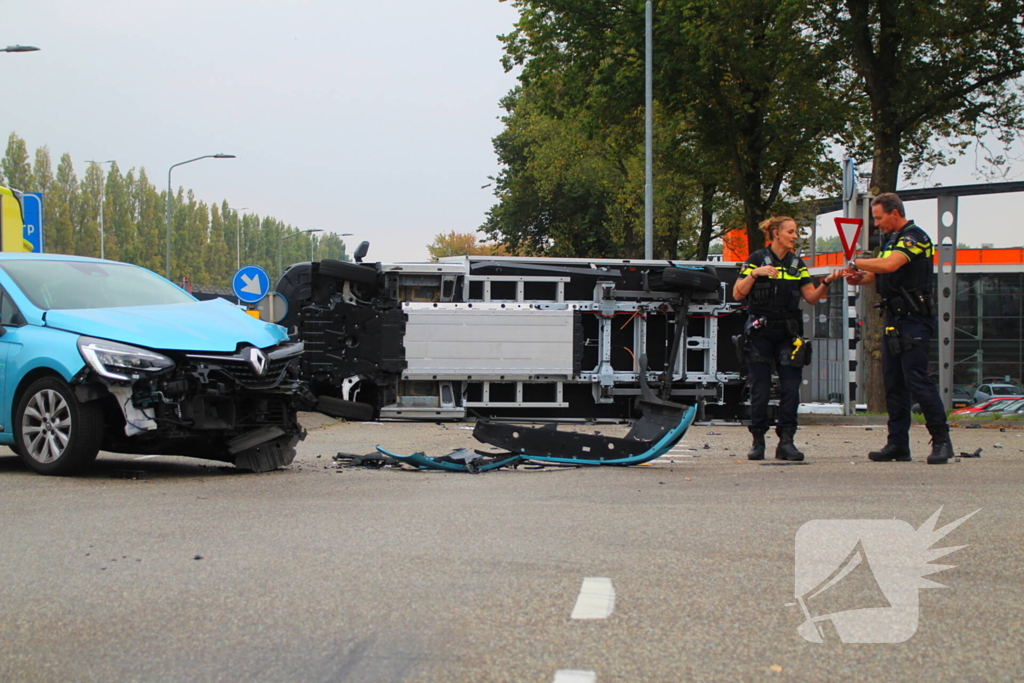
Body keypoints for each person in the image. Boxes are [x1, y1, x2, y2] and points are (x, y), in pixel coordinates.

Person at [843, 192, 953, 464]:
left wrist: (856, 261)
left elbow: (891, 264)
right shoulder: (890, 240)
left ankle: (941, 441)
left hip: (915, 318)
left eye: (879, 218)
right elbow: (881, 274)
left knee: (917, 380)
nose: (877, 224)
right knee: (893, 383)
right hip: (894, 319)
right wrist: (860, 277)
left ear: (895, 213)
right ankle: (898, 444)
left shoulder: (915, 237)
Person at [733, 216, 840, 461]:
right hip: (760, 332)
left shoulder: (796, 263)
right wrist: (755, 274)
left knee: (791, 387)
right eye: (791, 232)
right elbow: (738, 293)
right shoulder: (756, 259)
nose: (795, 236)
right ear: (776, 233)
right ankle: (758, 441)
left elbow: (811, 297)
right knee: (760, 387)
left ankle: (786, 441)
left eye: (796, 232)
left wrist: (826, 282)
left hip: (788, 333)